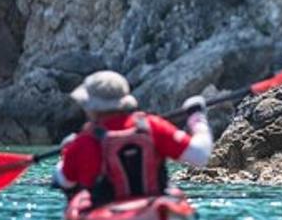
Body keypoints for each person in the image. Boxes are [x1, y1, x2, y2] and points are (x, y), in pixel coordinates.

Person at [51, 70, 212, 206]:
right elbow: (200, 156)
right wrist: (197, 118)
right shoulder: (152, 126)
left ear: (90, 106)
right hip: (153, 211)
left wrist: (66, 153)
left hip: (105, 219)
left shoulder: (84, 141)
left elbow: (65, 182)